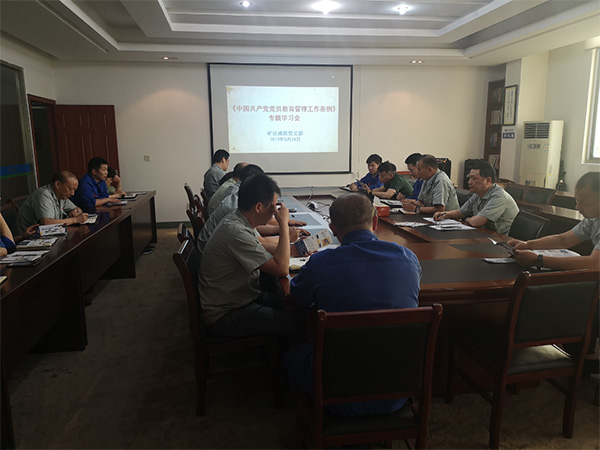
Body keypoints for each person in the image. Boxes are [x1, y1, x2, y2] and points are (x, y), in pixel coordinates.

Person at [284, 192, 421, 416]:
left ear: (333, 229)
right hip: (397, 391)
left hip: (334, 392)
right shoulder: (408, 258)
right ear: (375, 222)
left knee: (293, 353)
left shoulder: (320, 263)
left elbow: (297, 297)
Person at [198, 173, 304, 339]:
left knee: (299, 305)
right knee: (298, 322)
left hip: (242, 297)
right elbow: (282, 269)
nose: (275, 212)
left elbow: (261, 246)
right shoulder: (235, 231)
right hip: (227, 314)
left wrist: (292, 249)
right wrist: (283, 224)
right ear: (259, 207)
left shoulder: (238, 219)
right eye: (273, 207)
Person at [508, 172, 600, 270]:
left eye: (583, 202)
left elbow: (594, 264)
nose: (577, 207)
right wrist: (527, 245)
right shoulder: (593, 219)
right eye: (577, 201)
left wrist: (539, 260)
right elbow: (563, 239)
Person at [433, 160, 518, 235]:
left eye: (473, 179)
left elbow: (476, 222)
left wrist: (467, 219)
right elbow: (460, 212)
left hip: (501, 240)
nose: (469, 182)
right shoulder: (477, 194)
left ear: (488, 180)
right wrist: (445, 214)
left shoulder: (499, 197)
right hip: (484, 235)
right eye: (469, 178)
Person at [13, 171, 89, 236]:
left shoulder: (62, 196)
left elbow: (77, 209)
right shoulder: (43, 195)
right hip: (26, 239)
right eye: (70, 189)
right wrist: (75, 219)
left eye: (74, 190)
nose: (73, 193)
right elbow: (47, 223)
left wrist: (75, 212)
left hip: (45, 236)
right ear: (58, 184)